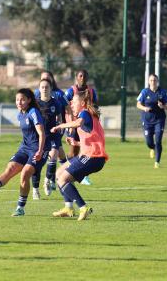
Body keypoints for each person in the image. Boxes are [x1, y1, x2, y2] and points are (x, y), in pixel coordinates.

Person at [0, 88, 50, 216]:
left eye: (22, 99)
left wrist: (40, 150)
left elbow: (41, 133)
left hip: (39, 149)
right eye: (17, 100)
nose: (19, 102)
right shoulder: (20, 114)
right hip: (25, 148)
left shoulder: (33, 112)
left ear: (29, 100)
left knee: (25, 173)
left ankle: (20, 208)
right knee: (10, 168)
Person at [50, 90, 108, 221]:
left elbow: (78, 123)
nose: (71, 104)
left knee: (63, 179)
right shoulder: (88, 115)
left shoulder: (85, 113)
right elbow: (93, 139)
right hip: (91, 156)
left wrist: (60, 126)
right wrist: (75, 142)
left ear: (82, 103)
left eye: (74, 102)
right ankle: (68, 208)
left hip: (93, 157)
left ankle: (83, 207)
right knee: (59, 173)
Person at [63, 69, 98, 185]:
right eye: (80, 76)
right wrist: (68, 123)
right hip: (75, 124)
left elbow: (96, 107)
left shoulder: (92, 92)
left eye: (85, 76)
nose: (83, 78)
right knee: (74, 151)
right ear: (77, 77)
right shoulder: (71, 91)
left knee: (86, 150)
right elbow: (65, 106)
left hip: (86, 125)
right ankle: (68, 170)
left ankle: (82, 175)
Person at [33, 79, 63, 199]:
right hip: (39, 136)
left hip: (52, 134)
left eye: (47, 87)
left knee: (54, 156)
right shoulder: (35, 103)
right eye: (42, 87)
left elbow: (59, 117)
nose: (44, 89)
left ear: (51, 89)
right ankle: (35, 189)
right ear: (39, 89)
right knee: (37, 163)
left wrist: (59, 126)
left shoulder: (55, 103)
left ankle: (47, 181)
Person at [136, 73, 167, 168]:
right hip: (147, 120)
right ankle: (152, 148)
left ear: (157, 81)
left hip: (159, 120)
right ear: (148, 81)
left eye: (155, 80)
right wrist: (144, 108)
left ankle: (157, 162)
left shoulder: (162, 92)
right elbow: (138, 104)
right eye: (151, 80)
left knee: (158, 141)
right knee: (149, 142)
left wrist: (163, 106)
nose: (153, 82)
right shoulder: (144, 92)